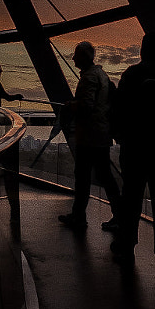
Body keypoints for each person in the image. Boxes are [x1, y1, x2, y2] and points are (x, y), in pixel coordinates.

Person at [110, 33, 155, 273]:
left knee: (130, 199)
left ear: (142, 50)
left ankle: (127, 247)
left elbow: (118, 111)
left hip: (134, 148)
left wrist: (122, 137)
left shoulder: (130, 75)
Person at [59, 41, 122, 230]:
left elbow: (86, 106)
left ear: (83, 57)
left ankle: (80, 217)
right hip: (100, 135)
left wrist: (71, 106)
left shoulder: (88, 78)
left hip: (89, 136)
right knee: (105, 176)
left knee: (83, 177)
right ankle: (118, 215)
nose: (73, 58)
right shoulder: (101, 74)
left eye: (76, 55)